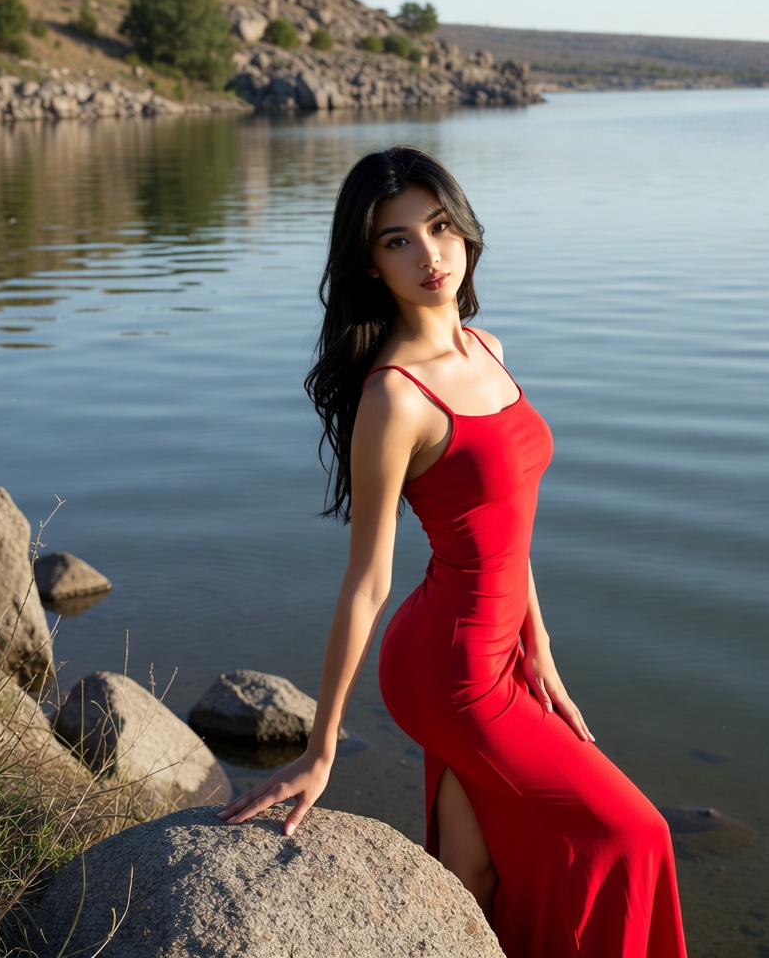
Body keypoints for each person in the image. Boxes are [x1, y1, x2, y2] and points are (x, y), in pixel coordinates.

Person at [219, 145, 688, 958]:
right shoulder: (395, 395)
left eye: (439, 226)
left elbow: (509, 525)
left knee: (475, 871)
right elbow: (366, 583)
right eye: (397, 239)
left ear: (465, 230)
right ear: (369, 263)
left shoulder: (488, 348)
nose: (429, 253)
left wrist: (540, 649)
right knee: (634, 834)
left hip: (502, 652)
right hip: (450, 670)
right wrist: (321, 748)